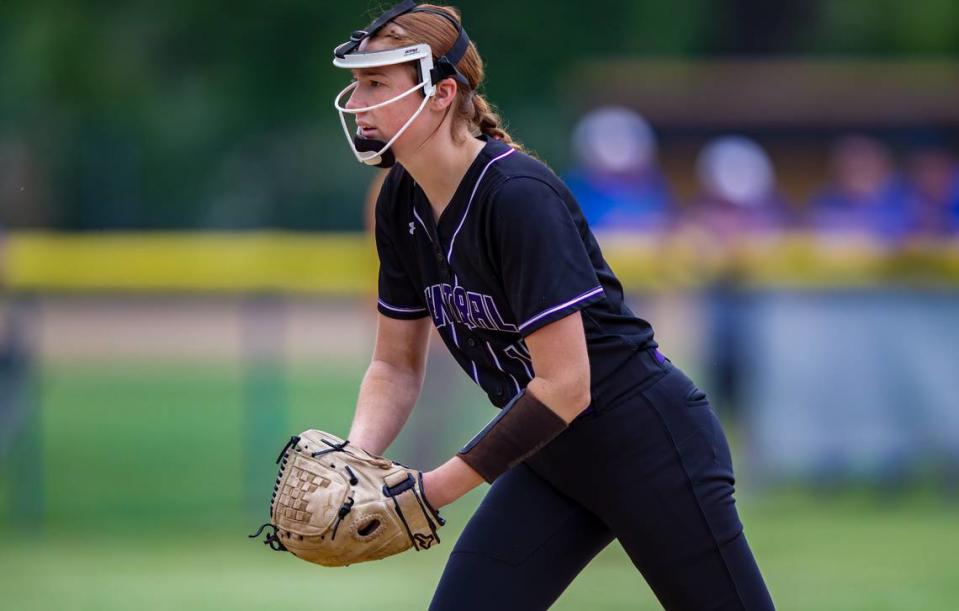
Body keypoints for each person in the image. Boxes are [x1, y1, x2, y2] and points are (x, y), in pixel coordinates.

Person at [332, 2, 774, 609]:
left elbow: (566, 386)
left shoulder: (517, 196)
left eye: (376, 82)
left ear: (441, 94)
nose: (357, 101)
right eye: (356, 82)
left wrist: (430, 491)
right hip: (550, 456)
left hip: (646, 444)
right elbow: (394, 367)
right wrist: (355, 462)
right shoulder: (400, 201)